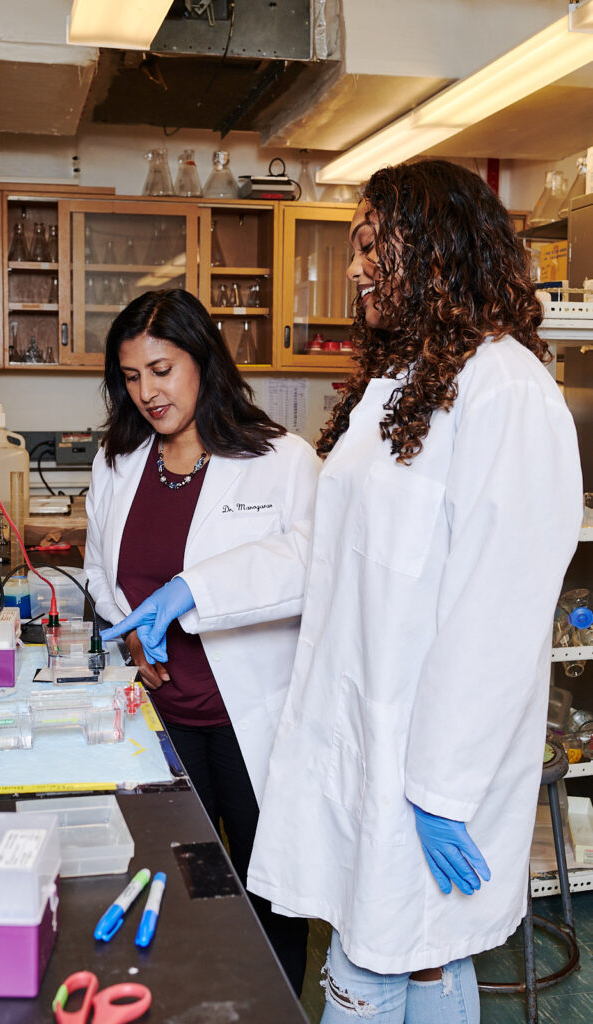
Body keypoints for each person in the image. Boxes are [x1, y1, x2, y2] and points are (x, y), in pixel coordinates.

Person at [124, 162, 582, 1022]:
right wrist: (195, 589)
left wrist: (444, 790)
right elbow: (331, 558)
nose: (358, 267)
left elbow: (499, 610)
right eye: (356, 248)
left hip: (429, 768)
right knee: (412, 962)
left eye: (375, 246)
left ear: (438, 249)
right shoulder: (401, 386)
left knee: (383, 965)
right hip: (371, 746)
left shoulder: (506, 389)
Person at [86, 288, 320, 995]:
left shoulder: (282, 459)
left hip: (253, 721)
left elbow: (312, 564)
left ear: (204, 360)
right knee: (173, 881)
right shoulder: (119, 460)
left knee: (266, 893)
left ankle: (272, 1005)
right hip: (162, 721)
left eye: (162, 370)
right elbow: (101, 572)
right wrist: (132, 634)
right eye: (132, 377)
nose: (147, 393)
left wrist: (193, 590)